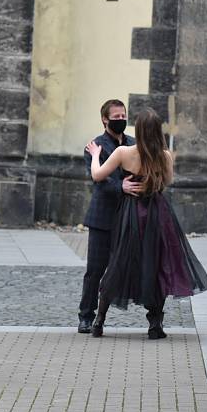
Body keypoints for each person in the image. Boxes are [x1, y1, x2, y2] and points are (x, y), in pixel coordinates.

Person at [86, 108, 207, 338]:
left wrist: (95, 155)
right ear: (158, 131)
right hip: (157, 213)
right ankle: (155, 325)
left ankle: (99, 321)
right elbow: (167, 182)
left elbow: (97, 175)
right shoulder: (165, 156)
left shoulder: (124, 152)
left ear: (140, 130)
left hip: (129, 215)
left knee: (118, 263)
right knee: (156, 265)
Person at [77, 99, 141, 334]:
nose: (121, 120)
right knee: (95, 270)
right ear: (105, 119)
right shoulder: (95, 146)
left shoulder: (135, 144)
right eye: (115, 117)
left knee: (133, 266)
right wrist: (120, 187)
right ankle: (86, 316)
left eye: (123, 115)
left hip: (130, 216)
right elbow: (99, 181)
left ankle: (152, 314)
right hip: (103, 218)